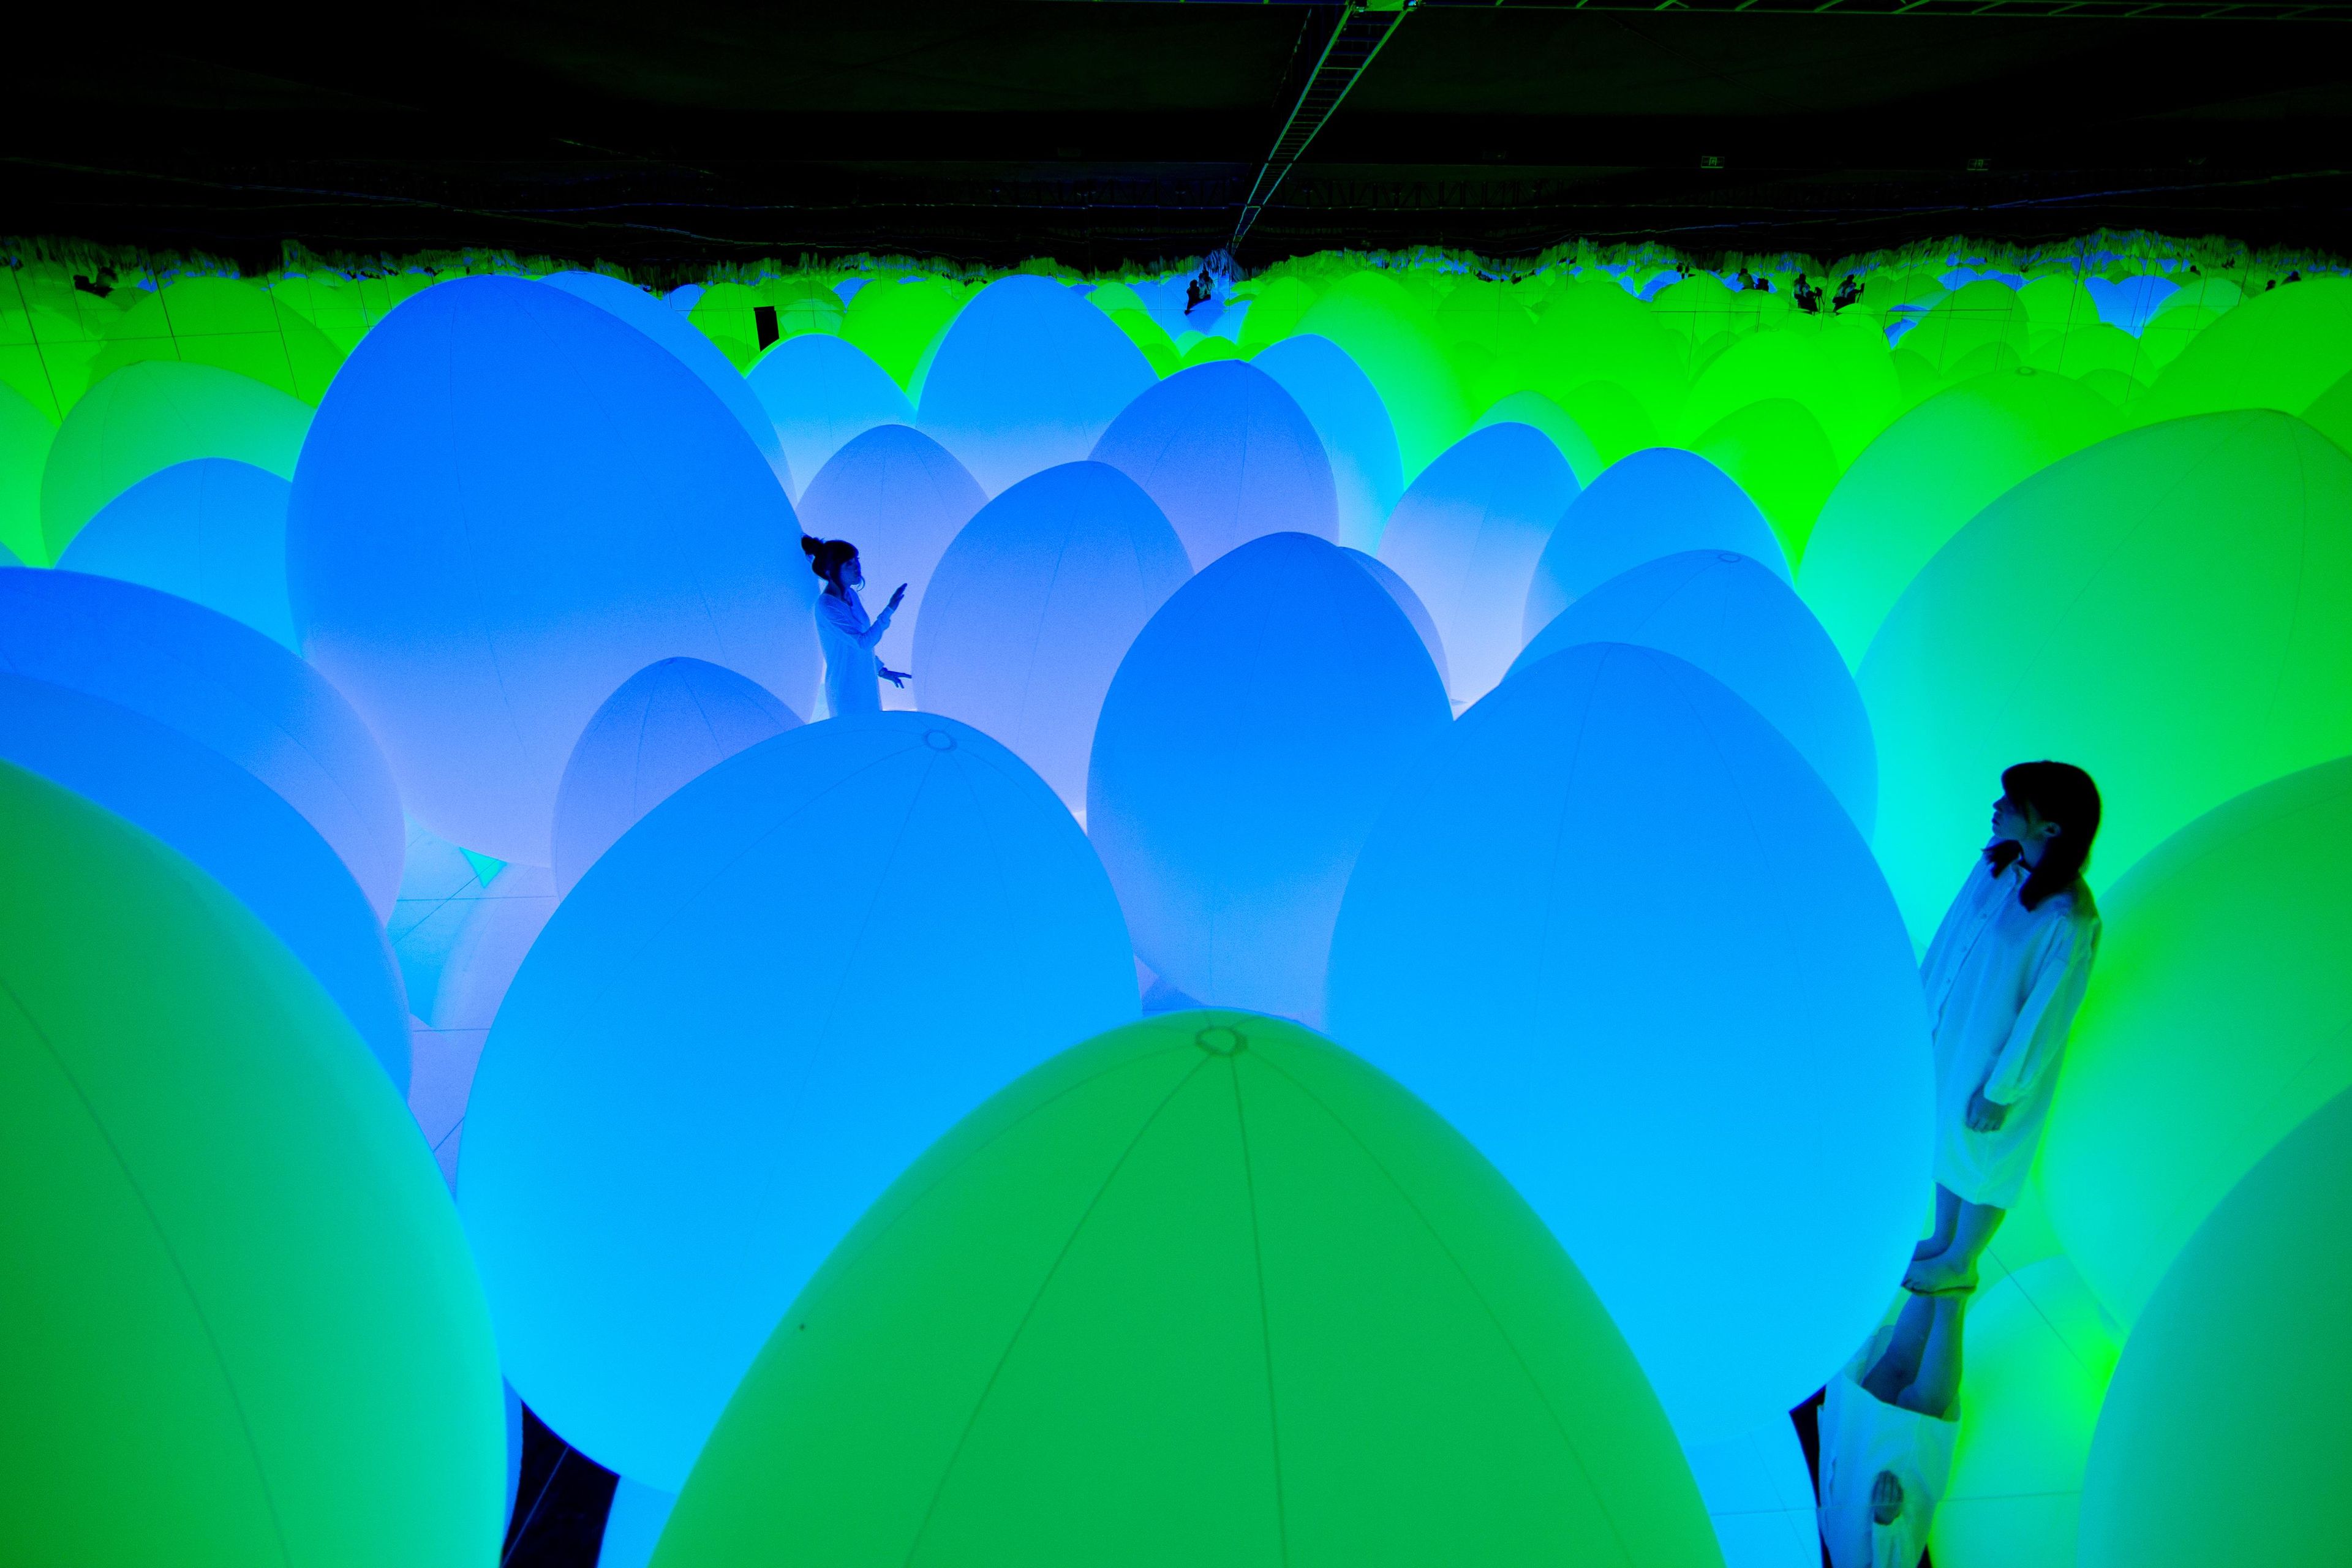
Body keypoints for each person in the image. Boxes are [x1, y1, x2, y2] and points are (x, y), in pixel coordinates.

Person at [1903, 762, 2103, 1295]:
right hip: (1954, 1036)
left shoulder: (2068, 919)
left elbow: (2047, 1017)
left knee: (1988, 1159)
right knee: (1950, 1140)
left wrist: (2001, 1090)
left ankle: (1961, 1260)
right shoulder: (1996, 863)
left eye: (2012, 803)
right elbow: (1951, 939)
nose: (1997, 808)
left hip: (1999, 1060)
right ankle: (1943, 1239)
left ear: (2051, 827)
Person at [801, 535, 908, 718]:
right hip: (846, 691)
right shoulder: (826, 606)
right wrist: (889, 610)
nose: (857, 567)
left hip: (867, 684)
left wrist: (880, 670)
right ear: (830, 571)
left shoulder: (851, 595)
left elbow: (858, 641)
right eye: (849, 564)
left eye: (856, 560)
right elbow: (862, 642)